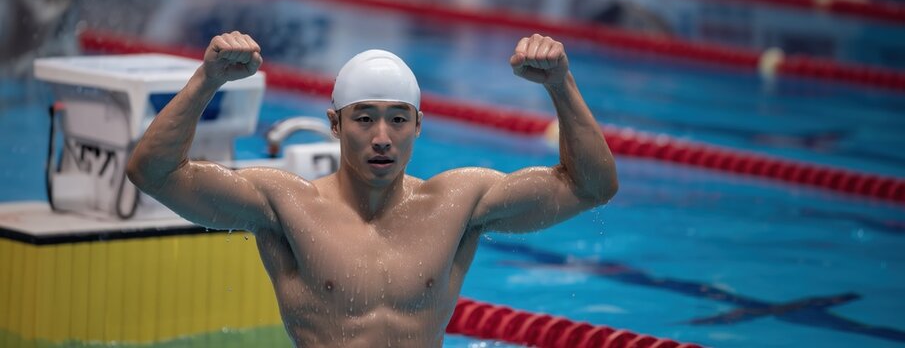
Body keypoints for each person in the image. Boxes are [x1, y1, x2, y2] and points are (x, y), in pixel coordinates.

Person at [127, 30, 618, 347]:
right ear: (335, 125)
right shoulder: (287, 205)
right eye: (364, 118)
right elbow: (153, 173)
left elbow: (591, 186)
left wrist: (560, 83)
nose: (382, 137)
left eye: (398, 119)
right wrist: (207, 80)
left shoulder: (456, 203)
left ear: (419, 124)